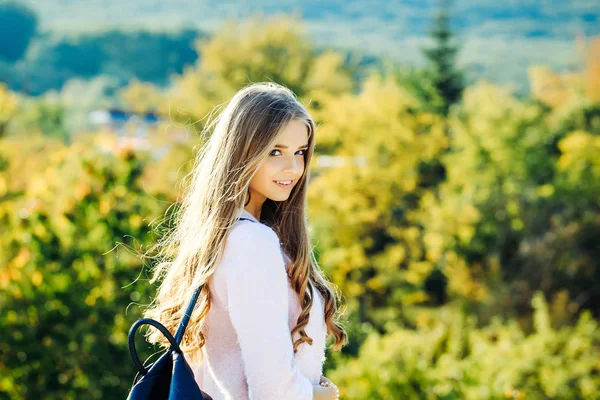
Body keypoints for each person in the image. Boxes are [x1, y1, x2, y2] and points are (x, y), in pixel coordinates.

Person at [143, 82, 348, 399]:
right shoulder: (252, 242)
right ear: (242, 152)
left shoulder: (226, 237)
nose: (293, 168)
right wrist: (322, 395)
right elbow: (272, 390)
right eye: (275, 152)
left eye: (301, 152)